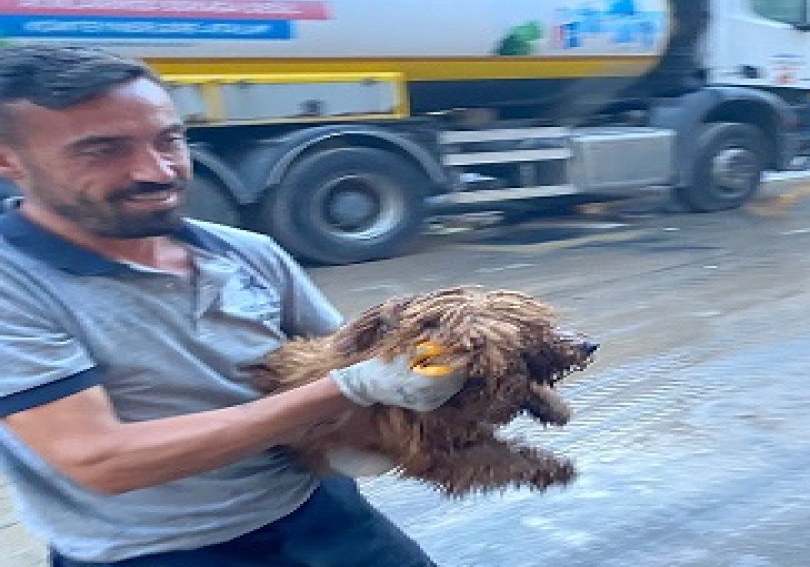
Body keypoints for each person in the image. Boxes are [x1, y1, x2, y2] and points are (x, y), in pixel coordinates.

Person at [0, 45, 466, 566]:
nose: (155, 171)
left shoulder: (243, 250)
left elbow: (351, 355)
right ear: (8, 159)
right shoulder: (14, 282)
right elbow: (101, 460)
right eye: (101, 150)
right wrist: (350, 387)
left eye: (168, 140)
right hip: (157, 552)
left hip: (319, 515)